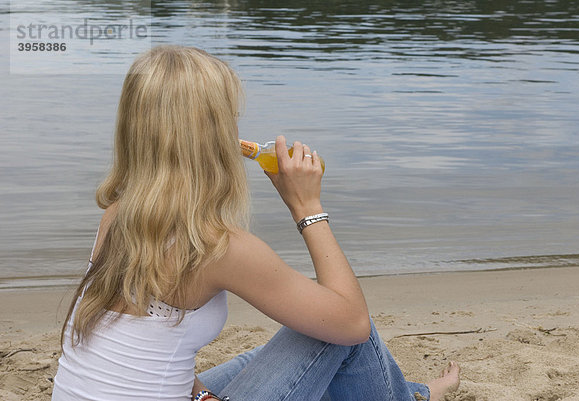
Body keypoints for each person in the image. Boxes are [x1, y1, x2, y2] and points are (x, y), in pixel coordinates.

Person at [52, 45, 460, 401]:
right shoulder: (218, 248)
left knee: (256, 360)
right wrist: (306, 206)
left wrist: (203, 395)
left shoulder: (119, 214)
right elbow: (351, 321)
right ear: (212, 137)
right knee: (339, 333)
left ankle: (408, 393)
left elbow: (144, 352)